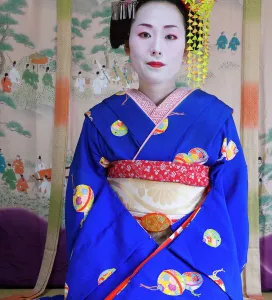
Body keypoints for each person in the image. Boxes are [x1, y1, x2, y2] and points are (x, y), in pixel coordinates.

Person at [41, 0, 248, 299]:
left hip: (197, 258)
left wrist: (226, 259)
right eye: (144, 34)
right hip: (116, 256)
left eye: (170, 36)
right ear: (126, 44)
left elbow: (232, 196)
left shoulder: (215, 117)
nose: (157, 48)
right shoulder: (101, 119)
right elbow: (82, 199)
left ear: (188, 47)